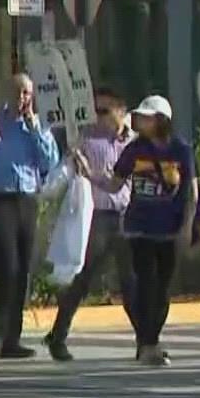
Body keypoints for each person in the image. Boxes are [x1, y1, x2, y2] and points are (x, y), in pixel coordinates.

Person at [107, 95, 200, 366]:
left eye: (146, 117)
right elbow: (115, 184)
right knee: (146, 285)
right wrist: (89, 173)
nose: (139, 121)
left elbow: (192, 192)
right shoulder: (135, 150)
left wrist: (188, 225)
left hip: (170, 229)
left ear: (161, 121)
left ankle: (149, 341)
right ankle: (149, 344)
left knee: (163, 289)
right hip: (140, 229)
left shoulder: (181, 149)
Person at [0, 73, 63, 359]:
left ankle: (12, 338)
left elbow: (50, 161)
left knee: (23, 268)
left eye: (27, 93)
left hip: (26, 198)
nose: (22, 99)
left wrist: (35, 127)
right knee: (6, 265)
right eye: (17, 93)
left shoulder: (35, 127)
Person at [47, 89, 135, 361]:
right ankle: (58, 335)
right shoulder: (86, 139)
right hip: (98, 217)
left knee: (131, 283)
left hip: (125, 216)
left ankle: (146, 340)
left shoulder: (133, 143)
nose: (97, 117)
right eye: (94, 111)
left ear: (121, 111)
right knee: (82, 280)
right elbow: (71, 169)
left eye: (104, 111)